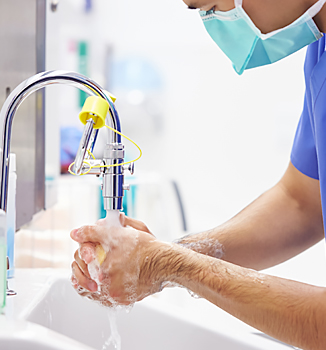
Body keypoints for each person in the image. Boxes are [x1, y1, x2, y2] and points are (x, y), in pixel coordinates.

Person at [70, 0, 326, 348]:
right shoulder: (320, 51)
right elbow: (301, 202)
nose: (216, 21)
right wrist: (157, 257)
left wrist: (171, 265)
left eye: (209, 5)